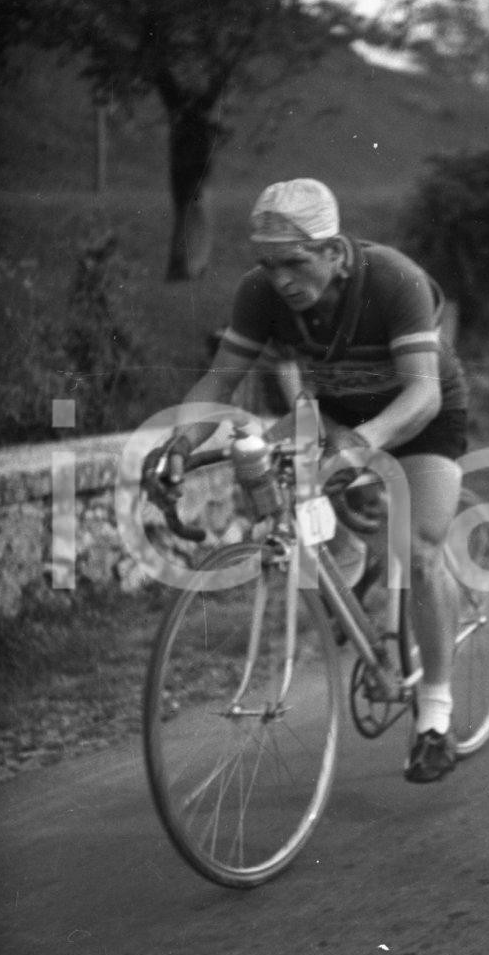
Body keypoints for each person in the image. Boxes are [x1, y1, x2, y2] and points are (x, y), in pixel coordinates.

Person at [145, 178, 469, 783]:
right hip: (339, 411)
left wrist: (365, 445)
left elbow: (423, 393)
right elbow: (218, 383)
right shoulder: (260, 293)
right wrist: (179, 444)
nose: (282, 280)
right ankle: (361, 608)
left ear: (336, 253)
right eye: (267, 265)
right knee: (294, 520)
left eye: (295, 263)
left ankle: (435, 717)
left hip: (420, 413)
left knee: (420, 548)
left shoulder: (392, 278)